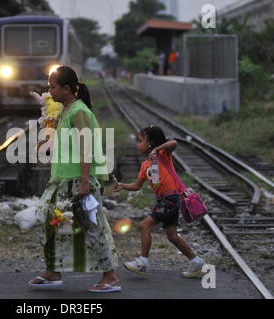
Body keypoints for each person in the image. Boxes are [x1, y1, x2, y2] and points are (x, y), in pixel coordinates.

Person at [28, 65, 120, 293]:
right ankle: (53, 271)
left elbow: (85, 147)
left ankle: (110, 277)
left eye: (52, 87)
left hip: (79, 180)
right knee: (47, 221)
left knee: (92, 226)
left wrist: (85, 182)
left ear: (67, 89)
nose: (49, 92)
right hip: (62, 180)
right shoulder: (66, 110)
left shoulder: (79, 112)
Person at [113, 125, 205, 278]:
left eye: (140, 140)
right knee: (172, 236)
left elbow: (174, 143)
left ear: (150, 143)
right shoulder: (145, 165)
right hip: (165, 200)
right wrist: (122, 185)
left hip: (170, 199)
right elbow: (137, 186)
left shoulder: (163, 154)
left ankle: (143, 263)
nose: (137, 144)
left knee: (145, 225)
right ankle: (196, 261)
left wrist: (157, 150)